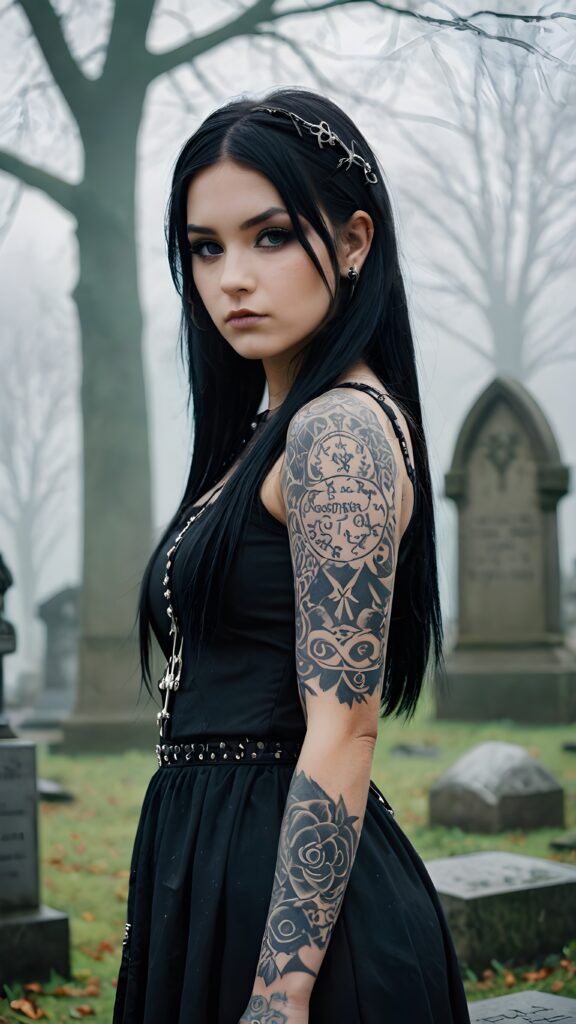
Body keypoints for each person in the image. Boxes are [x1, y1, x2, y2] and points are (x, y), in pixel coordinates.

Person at [112, 87, 471, 1024]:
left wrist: (280, 992)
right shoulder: (269, 432)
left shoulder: (338, 434)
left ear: (353, 243)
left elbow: (345, 727)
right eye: (206, 247)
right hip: (217, 870)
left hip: (301, 925)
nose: (233, 276)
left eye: (269, 236)